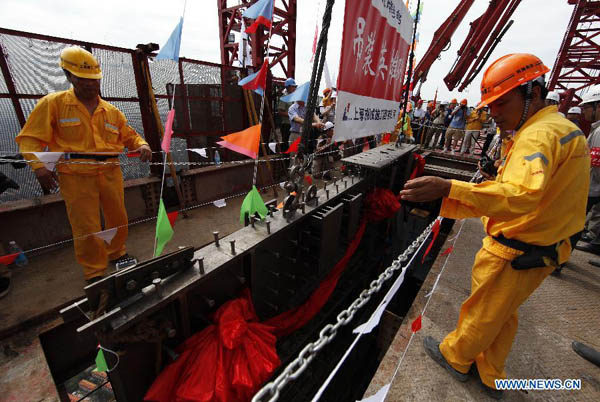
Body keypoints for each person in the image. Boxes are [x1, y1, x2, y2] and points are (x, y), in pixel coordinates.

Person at [400, 53, 589, 399]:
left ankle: (455, 357)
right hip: (544, 244)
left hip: (517, 245)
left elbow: (520, 196)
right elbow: (533, 192)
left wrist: (449, 187)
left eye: (501, 102)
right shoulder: (561, 130)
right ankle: (491, 373)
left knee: (483, 311)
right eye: (491, 105)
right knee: (503, 313)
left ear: (532, 92)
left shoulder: (537, 137)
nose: (494, 113)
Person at [15, 47, 152, 283]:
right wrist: (38, 167)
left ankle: (117, 253)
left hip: (109, 171)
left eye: (94, 79)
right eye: (83, 79)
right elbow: (30, 138)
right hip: (75, 174)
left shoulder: (111, 111)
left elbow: (129, 136)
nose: (91, 84)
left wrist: (142, 145)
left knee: (117, 217)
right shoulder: (53, 104)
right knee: (85, 224)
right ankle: (94, 271)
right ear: (69, 76)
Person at [572, 85, 600, 257]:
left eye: (587, 107)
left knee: (574, 222)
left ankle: (558, 259)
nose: (584, 112)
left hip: (592, 186)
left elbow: (596, 165)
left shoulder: (599, 132)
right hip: (593, 185)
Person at [277, 78, 297, 151]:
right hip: (286, 125)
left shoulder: (295, 98)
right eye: (293, 86)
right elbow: (280, 112)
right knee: (286, 144)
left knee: (293, 144)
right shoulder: (284, 98)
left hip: (294, 125)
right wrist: (292, 115)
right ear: (288, 87)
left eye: (295, 86)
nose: (294, 88)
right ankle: (285, 161)